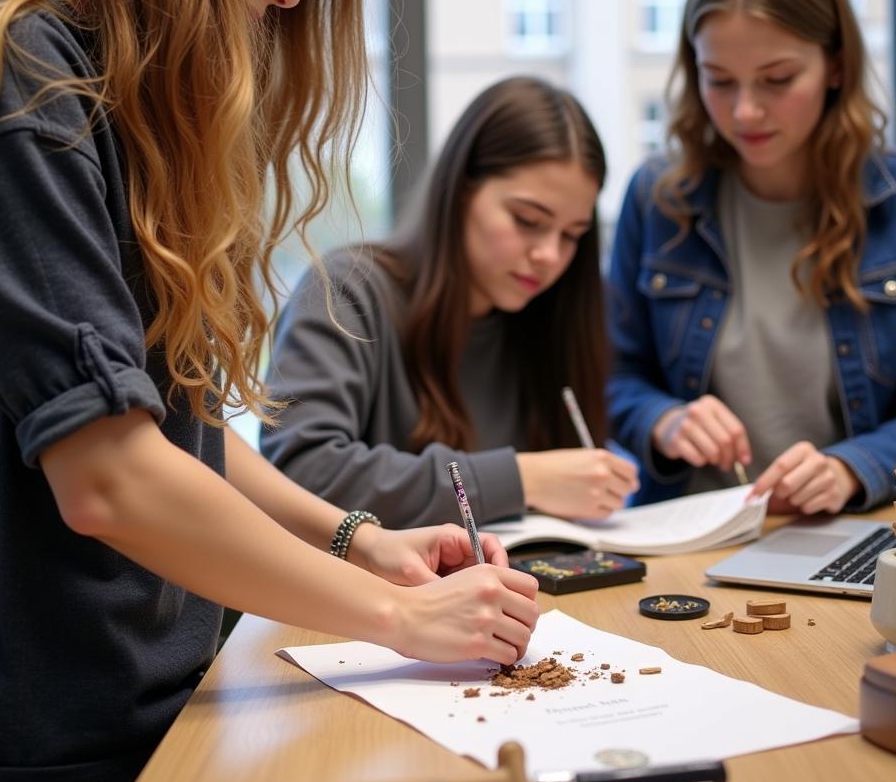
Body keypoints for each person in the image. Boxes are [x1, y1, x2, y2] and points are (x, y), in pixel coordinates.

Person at [0, 0, 539, 782]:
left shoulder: (105, 74)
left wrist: (358, 540)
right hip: (31, 742)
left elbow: (170, 423)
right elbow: (111, 477)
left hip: (155, 699)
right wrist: (397, 614)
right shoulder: (0, 56)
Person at [608, 0, 896, 515]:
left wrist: (852, 467)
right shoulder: (655, 199)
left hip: (852, 528)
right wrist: (664, 421)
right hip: (690, 532)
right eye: (718, 80)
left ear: (836, 67)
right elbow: (613, 381)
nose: (745, 111)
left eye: (777, 79)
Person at [261, 75, 639, 528]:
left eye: (572, 236)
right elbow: (302, 473)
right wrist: (523, 479)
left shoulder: (555, 317)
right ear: (460, 191)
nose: (550, 256)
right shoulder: (344, 292)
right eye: (527, 220)